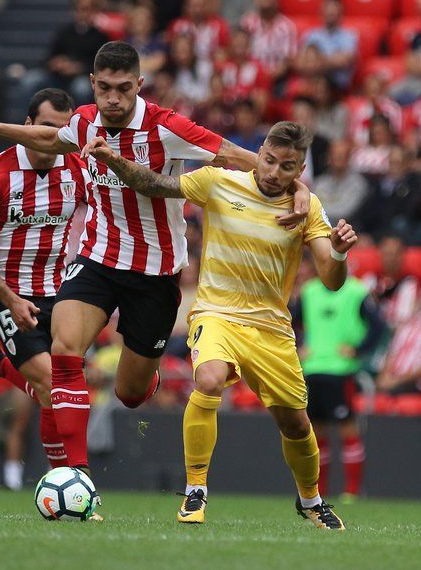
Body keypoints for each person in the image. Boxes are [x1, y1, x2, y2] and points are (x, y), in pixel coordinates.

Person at [0, 41, 310, 482]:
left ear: (140, 84)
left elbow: (232, 154)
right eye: (106, 89)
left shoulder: (165, 127)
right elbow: (50, 138)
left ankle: (140, 381)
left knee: (131, 394)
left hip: (155, 272)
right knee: (65, 350)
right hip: (97, 259)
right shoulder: (83, 120)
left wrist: (296, 186)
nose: (113, 99)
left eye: (123, 89)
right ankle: (76, 478)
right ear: (94, 84)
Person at [80, 121, 353, 530]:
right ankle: (196, 490)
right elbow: (155, 184)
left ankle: (311, 499)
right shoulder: (219, 182)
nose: (273, 172)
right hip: (216, 314)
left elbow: (331, 280)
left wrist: (340, 251)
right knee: (207, 381)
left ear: (299, 172)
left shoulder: (307, 207)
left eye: (286, 167)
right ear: (259, 152)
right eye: (269, 160)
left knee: (295, 422)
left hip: (271, 328)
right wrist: (115, 160)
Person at [0, 89, 89, 483]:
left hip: (59, 294)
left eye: (64, 130)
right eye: (49, 128)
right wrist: (11, 300)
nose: (56, 138)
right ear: (28, 126)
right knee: (54, 386)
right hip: (6, 295)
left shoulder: (77, 168)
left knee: (61, 393)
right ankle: (71, 484)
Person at [300, 274, 384, 500]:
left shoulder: (356, 291)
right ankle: (319, 492)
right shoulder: (309, 291)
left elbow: (378, 326)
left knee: (347, 429)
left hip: (341, 371)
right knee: (316, 434)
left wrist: (358, 350)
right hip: (313, 369)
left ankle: (352, 491)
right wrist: (298, 344)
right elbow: (287, 322)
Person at [362, 235, 421, 329]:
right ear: (380, 254)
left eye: (395, 254)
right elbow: (361, 313)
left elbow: (406, 321)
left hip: (399, 337)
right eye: (387, 254)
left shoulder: (412, 284)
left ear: (402, 256)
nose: (391, 258)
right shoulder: (369, 280)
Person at [301, 0, 358, 91]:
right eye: (328, 11)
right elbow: (302, 61)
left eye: (334, 11)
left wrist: (315, 62)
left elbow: (344, 60)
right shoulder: (311, 35)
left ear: (341, 14)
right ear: (321, 13)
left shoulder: (349, 36)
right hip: (311, 82)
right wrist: (331, 60)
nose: (330, 14)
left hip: (336, 86)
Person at [313, 140, 369, 225]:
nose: (338, 158)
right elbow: (312, 207)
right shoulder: (319, 182)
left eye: (341, 155)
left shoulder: (359, 184)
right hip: (317, 228)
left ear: (349, 158)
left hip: (346, 230)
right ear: (328, 158)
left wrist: (318, 213)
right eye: (334, 155)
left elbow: (344, 213)